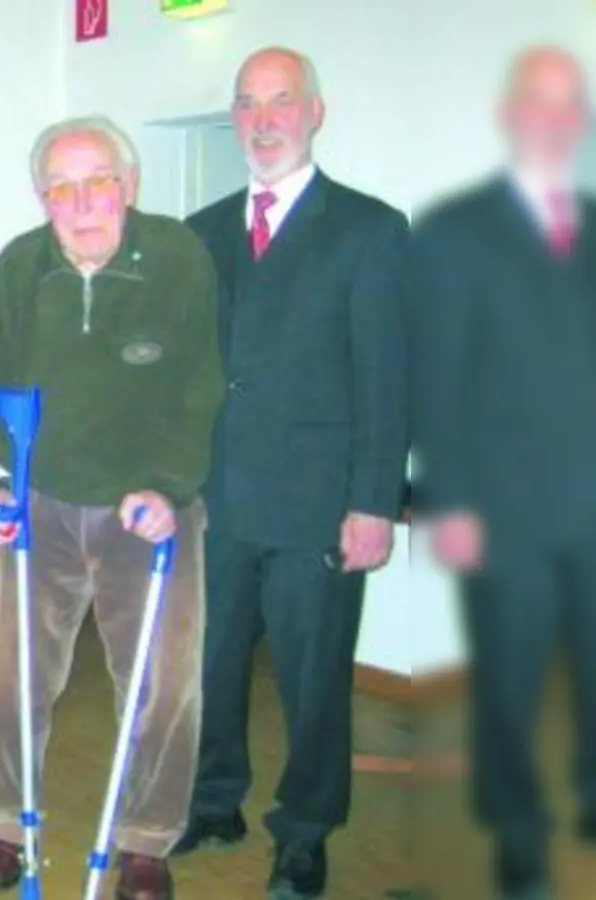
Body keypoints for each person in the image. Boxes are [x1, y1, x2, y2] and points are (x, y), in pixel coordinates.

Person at [0, 116, 223, 900]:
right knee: (11, 677)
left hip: (147, 509)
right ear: (42, 199)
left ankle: (146, 841)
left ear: (128, 185)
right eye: (61, 188)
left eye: (98, 181)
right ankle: (6, 827)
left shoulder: (177, 257)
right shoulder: (20, 266)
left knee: (161, 683)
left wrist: (167, 487)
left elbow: (200, 388)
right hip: (39, 498)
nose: (81, 204)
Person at [174, 47, 409, 900]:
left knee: (315, 681)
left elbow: (386, 378)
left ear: (315, 112)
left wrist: (372, 502)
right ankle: (212, 802)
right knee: (209, 665)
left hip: (319, 504)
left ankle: (305, 832)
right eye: (248, 104)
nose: (263, 120)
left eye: (281, 102)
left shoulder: (370, 229)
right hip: (217, 495)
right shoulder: (200, 232)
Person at [410, 46, 593, 900]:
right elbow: (436, 371)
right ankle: (518, 838)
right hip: (503, 505)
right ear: (510, 113)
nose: (552, 121)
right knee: (510, 685)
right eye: (537, 102)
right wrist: (451, 500)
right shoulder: (455, 230)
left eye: (568, 105)